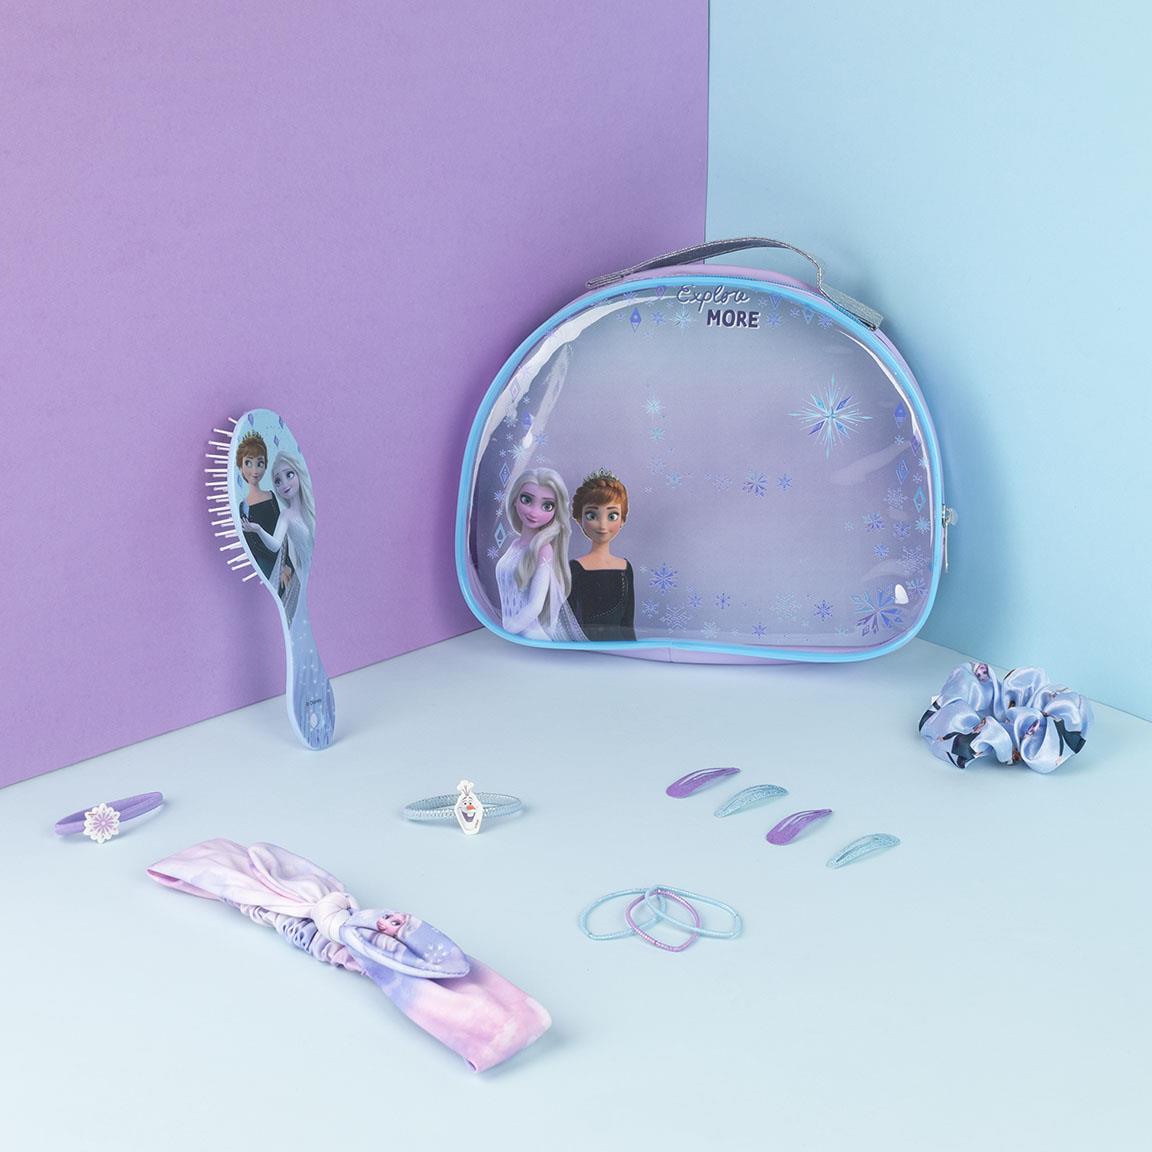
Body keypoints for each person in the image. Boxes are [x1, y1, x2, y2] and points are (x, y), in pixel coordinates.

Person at [495, 469, 584, 641]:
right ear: (514, 500)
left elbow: (535, 605)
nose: (534, 512)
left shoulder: (543, 550)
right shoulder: (515, 545)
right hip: (512, 635)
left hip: (529, 634)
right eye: (527, 500)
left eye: (547, 506)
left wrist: (508, 629)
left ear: (556, 511)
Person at [242, 450, 315, 622]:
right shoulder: (285, 516)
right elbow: (275, 545)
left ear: (298, 473)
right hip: (309, 575)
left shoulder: (311, 508)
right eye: (277, 481)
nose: (284, 484)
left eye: (289, 475)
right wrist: (258, 529)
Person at [567, 469, 635, 641]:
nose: (602, 525)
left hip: (620, 647)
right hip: (585, 645)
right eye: (592, 515)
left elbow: (628, 623)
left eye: (612, 515)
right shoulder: (575, 568)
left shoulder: (625, 567)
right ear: (578, 519)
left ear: (623, 519)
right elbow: (569, 621)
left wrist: (632, 649)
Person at [234, 432, 279, 580]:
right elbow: (252, 545)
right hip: (265, 565)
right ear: (241, 467)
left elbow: (280, 533)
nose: (254, 471)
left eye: (259, 463)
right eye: (248, 463)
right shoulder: (243, 507)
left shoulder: (271, 496)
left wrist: (285, 564)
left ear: (265, 466)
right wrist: (274, 564)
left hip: (281, 557)